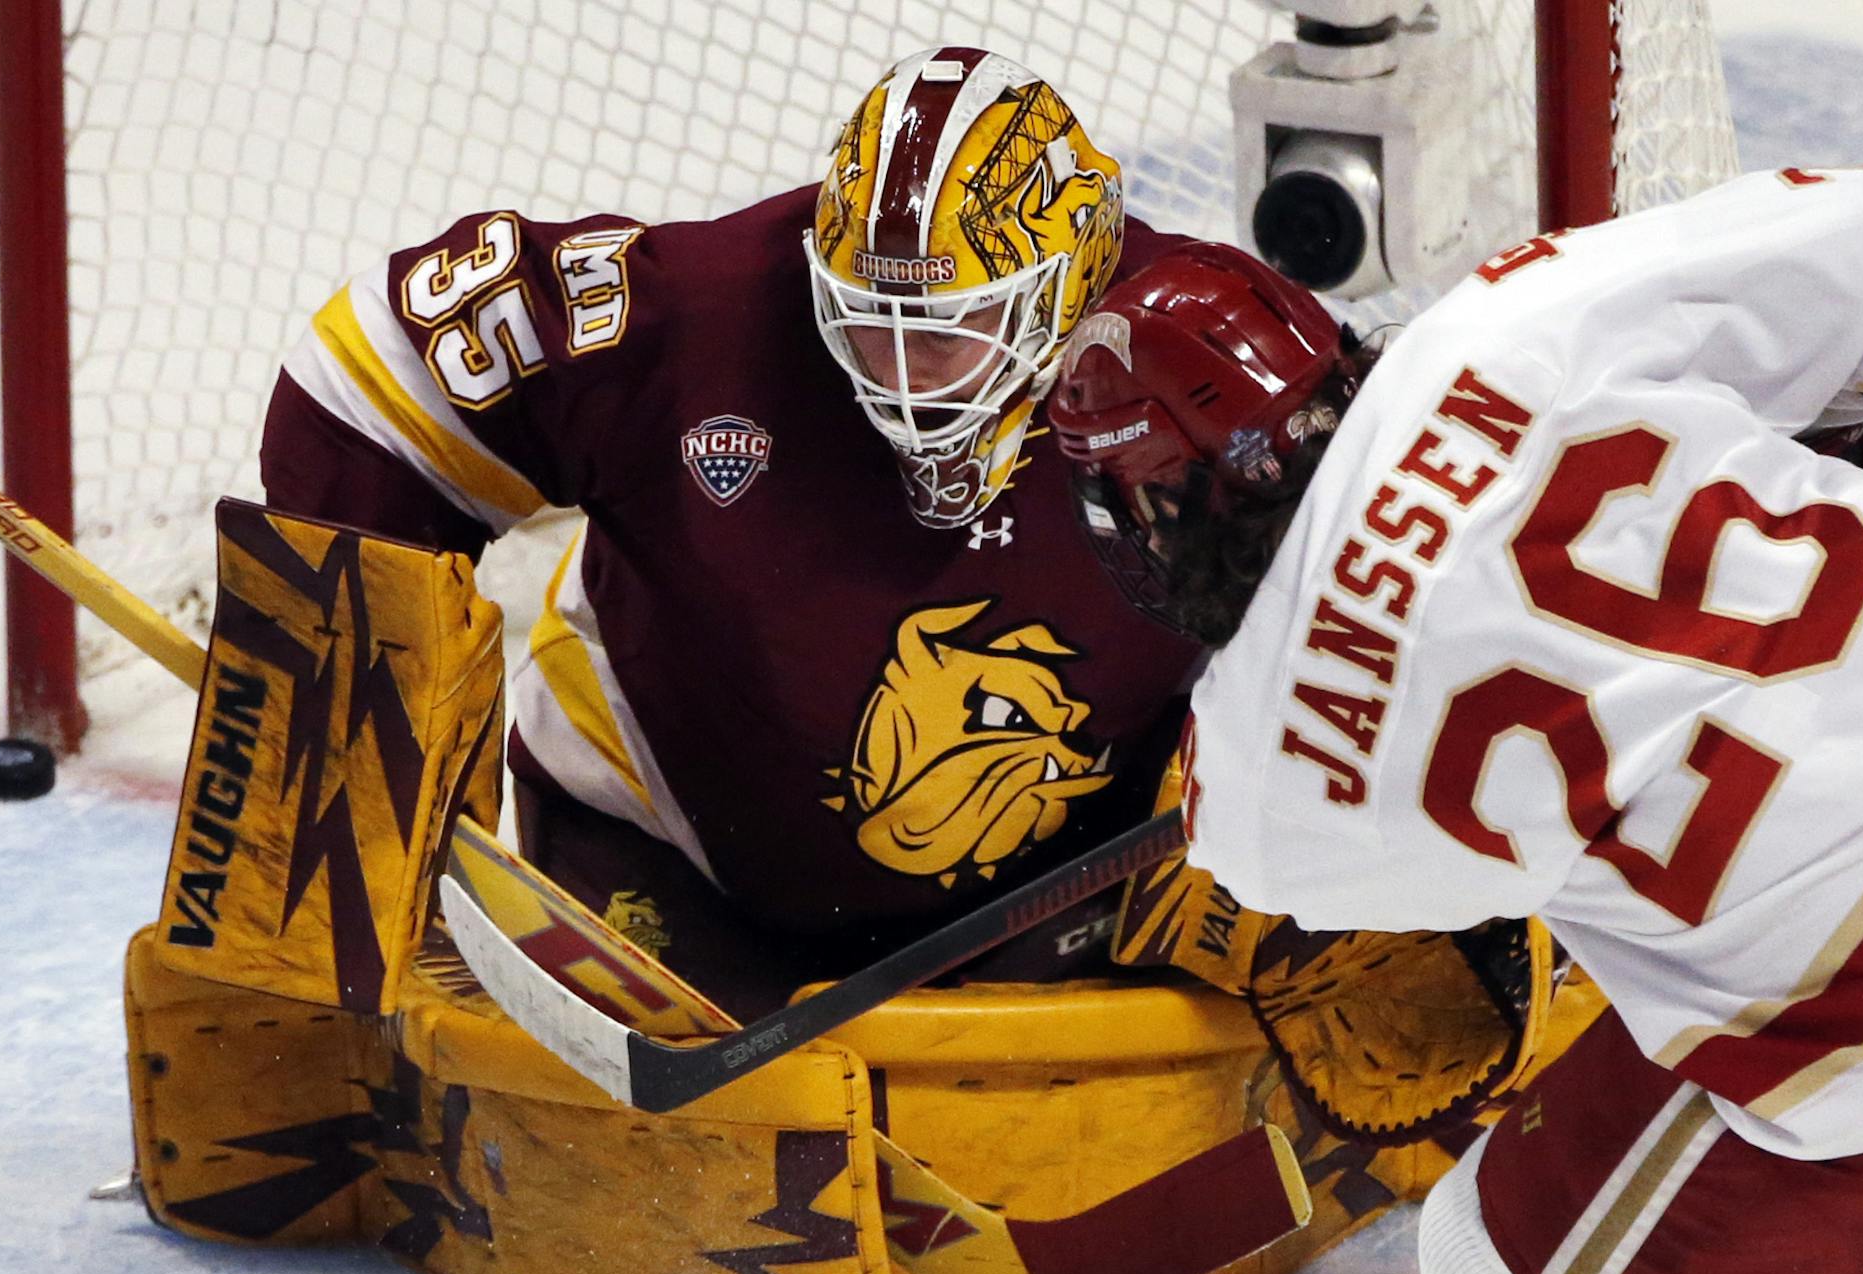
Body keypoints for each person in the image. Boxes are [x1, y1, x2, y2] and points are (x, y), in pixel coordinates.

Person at [1048, 165, 1863, 1274]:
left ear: (1159, 511)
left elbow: (1385, 862)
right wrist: (1831, 423)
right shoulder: (1504, 320)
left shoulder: (1260, 776)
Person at [254, 45, 1203, 1016]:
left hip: (1071, 911)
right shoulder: (713, 310)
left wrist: (1293, 832)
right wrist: (356, 707)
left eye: (950, 328)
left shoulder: (1210, 359)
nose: (903, 378)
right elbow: (362, 379)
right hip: (669, 865)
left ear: (1068, 289)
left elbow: (1355, 578)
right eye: (873, 320)